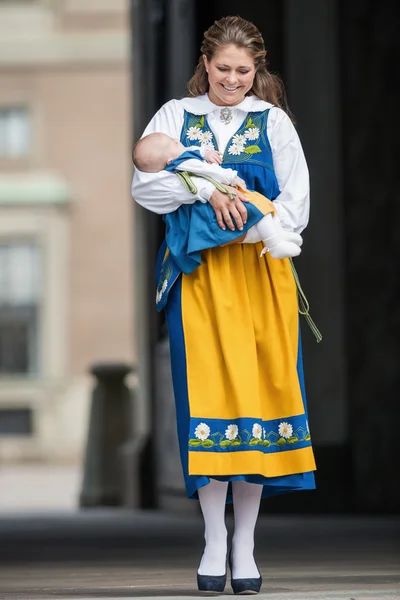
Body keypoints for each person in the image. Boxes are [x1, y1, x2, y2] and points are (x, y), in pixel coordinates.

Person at [131, 15, 316, 596]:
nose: (233, 79)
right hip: (200, 279)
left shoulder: (274, 122)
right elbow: (146, 187)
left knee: (257, 399)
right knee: (209, 400)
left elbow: (297, 206)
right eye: (223, 69)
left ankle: (246, 542)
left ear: (256, 70)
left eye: (244, 70)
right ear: (205, 65)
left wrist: (243, 228)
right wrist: (209, 189)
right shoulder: (173, 116)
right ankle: (214, 537)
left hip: (261, 275)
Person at [132, 132, 303, 262]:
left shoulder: (180, 156)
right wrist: (228, 178)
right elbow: (207, 170)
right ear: (169, 160)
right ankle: (274, 243)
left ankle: (277, 235)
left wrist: (205, 153)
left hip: (250, 251)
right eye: (173, 143)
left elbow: (194, 152)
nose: (177, 141)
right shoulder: (183, 162)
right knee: (257, 209)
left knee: (257, 209)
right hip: (212, 211)